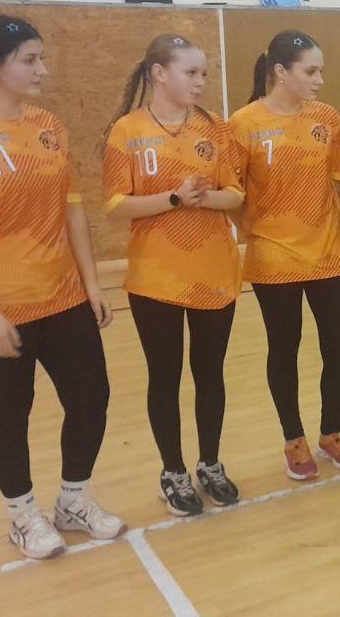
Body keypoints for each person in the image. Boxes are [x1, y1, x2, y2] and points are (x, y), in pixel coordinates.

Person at [0, 14, 125, 559]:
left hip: (62, 294)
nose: (42, 70)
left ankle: (73, 501)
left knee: (91, 397)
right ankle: (24, 515)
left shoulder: (48, 125)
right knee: (11, 410)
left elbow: (72, 210)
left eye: (42, 58)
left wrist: (91, 283)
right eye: (30, 60)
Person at [102, 34, 245, 516]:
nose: (201, 82)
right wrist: (173, 198)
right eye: (191, 72)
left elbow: (235, 194)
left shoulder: (215, 127)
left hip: (214, 270)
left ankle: (210, 463)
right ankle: (173, 471)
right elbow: (116, 205)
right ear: (159, 73)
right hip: (156, 278)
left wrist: (205, 198)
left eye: (204, 73)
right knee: (165, 377)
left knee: (210, 373)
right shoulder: (127, 131)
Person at [229, 30, 340, 480]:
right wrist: (264, 229)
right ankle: (294, 438)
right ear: (281, 72)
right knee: (284, 348)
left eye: (321, 70)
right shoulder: (244, 123)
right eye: (311, 71)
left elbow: (334, 183)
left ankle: (331, 433)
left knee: (339, 347)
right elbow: (234, 195)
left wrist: (314, 220)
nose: (320, 79)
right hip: (274, 258)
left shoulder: (328, 118)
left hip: (328, 254)